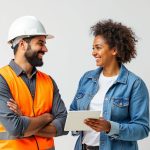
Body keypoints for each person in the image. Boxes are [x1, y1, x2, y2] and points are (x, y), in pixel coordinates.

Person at [70, 19, 149, 150]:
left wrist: (109, 127)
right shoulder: (87, 78)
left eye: (98, 48)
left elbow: (142, 128)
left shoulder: (134, 84)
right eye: (93, 48)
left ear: (114, 50)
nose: (93, 52)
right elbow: (73, 111)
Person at [0, 16, 68, 150]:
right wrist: (46, 117)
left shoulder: (48, 81)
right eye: (40, 43)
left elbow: (64, 124)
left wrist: (25, 119)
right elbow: (15, 128)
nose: (45, 49)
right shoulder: (2, 79)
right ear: (22, 45)